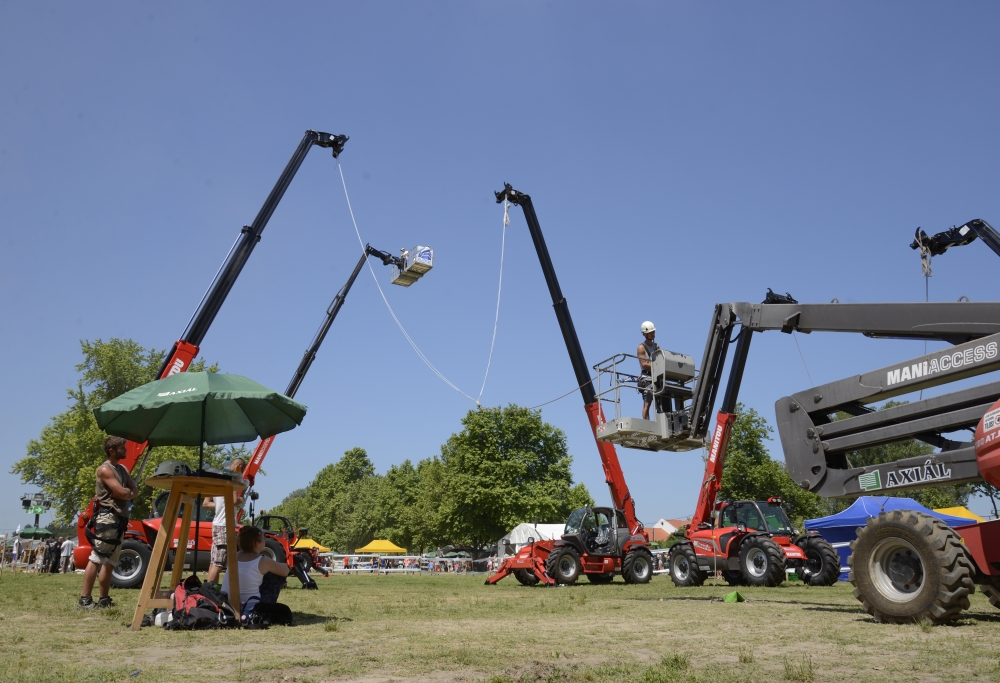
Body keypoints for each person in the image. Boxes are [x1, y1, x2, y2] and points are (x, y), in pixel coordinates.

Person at [79, 436, 138, 609]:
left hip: (119, 519)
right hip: (108, 518)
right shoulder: (105, 470)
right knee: (97, 558)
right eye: (122, 448)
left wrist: (127, 493)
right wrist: (126, 493)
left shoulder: (122, 469)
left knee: (111, 561)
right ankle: (85, 599)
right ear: (112, 451)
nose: (126, 451)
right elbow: (122, 492)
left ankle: (104, 599)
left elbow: (132, 491)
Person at [221, 526, 291, 624]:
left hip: (227, 605)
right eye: (263, 539)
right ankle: (267, 602)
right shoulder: (263, 561)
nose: (265, 542)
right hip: (250, 608)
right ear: (256, 543)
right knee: (277, 575)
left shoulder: (233, 556)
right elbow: (286, 571)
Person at [203, 457, 246, 585]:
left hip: (216, 524)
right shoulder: (231, 481)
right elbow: (233, 501)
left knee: (214, 561)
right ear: (237, 466)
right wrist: (240, 500)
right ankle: (208, 592)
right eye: (240, 467)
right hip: (225, 525)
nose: (240, 470)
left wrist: (220, 505)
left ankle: (213, 590)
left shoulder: (217, 481)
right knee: (219, 562)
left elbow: (205, 504)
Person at [637, 321, 660, 420]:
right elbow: (644, 364)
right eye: (651, 332)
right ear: (644, 334)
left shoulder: (656, 347)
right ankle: (647, 423)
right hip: (647, 377)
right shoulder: (641, 348)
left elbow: (660, 360)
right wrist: (658, 366)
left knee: (661, 402)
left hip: (656, 375)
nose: (653, 334)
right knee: (647, 403)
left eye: (653, 332)